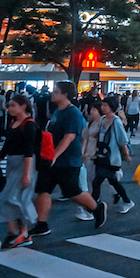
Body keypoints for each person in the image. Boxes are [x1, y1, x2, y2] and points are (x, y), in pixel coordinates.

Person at [29, 82, 107, 236]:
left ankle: (97, 208)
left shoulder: (73, 114)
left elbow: (69, 137)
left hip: (68, 161)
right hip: (52, 159)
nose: (53, 93)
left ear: (65, 94)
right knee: (43, 190)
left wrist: (54, 155)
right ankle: (42, 224)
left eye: (56, 91)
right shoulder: (58, 111)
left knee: (73, 192)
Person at [0, 94, 38, 249]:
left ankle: (22, 233)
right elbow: (7, 145)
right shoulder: (13, 123)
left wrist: (26, 174)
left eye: (13, 105)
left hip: (24, 164)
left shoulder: (29, 125)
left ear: (23, 106)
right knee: (12, 199)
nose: (9, 108)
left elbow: (29, 151)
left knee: (12, 198)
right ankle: (18, 232)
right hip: (12, 163)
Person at [90, 95, 133, 214]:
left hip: (111, 157)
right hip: (102, 156)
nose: (103, 107)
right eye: (102, 105)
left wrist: (126, 154)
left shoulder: (116, 121)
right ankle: (126, 201)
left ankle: (92, 207)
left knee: (98, 181)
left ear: (111, 107)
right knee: (110, 181)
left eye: (105, 105)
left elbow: (122, 140)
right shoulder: (103, 119)